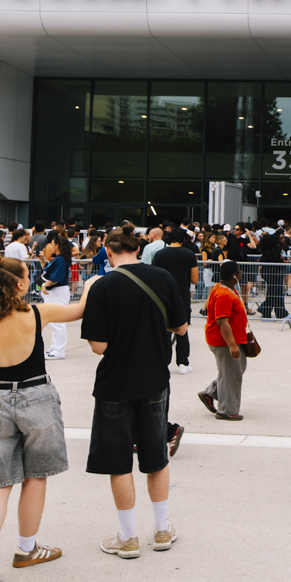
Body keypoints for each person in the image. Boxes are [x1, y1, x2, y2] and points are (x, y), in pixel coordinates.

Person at [0, 258, 83, 582]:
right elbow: (78, 310)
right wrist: (93, 286)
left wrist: (3, 367)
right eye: (27, 277)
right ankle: (26, 550)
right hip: (37, 396)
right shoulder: (37, 313)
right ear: (19, 284)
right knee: (36, 476)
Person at [82, 226, 188, 559]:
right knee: (156, 456)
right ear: (139, 249)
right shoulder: (162, 278)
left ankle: (127, 538)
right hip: (155, 379)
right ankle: (161, 529)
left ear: (109, 252)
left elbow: (98, 346)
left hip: (115, 382)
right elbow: (181, 327)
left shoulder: (103, 286)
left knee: (118, 461)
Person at [195, 260, 249, 421]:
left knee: (235, 371)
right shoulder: (223, 294)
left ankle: (211, 392)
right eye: (239, 271)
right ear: (234, 275)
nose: (240, 274)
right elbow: (222, 321)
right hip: (224, 341)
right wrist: (232, 345)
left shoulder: (228, 290)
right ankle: (227, 410)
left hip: (235, 339)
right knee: (231, 374)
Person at [151, 229, 199, 376]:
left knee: (163, 330)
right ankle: (183, 362)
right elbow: (195, 279)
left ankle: (162, 362)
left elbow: (154, 275)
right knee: (182, 329)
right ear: (183, 239)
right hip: (182, 295)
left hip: (162, 296)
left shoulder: (160, 254)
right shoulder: (189, 255)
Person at [39, 231, 74, 359]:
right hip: (54, 292)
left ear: (57, 245)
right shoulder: (58, 259)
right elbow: (48, 272)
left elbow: (56, 278)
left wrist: (45, 285)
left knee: (57, 322)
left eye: (53, 244)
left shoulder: (60, 260)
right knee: (53, 322)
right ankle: (54, 348)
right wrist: (42, 261)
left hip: (57, 292)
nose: (51, 246)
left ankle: (58, 350)